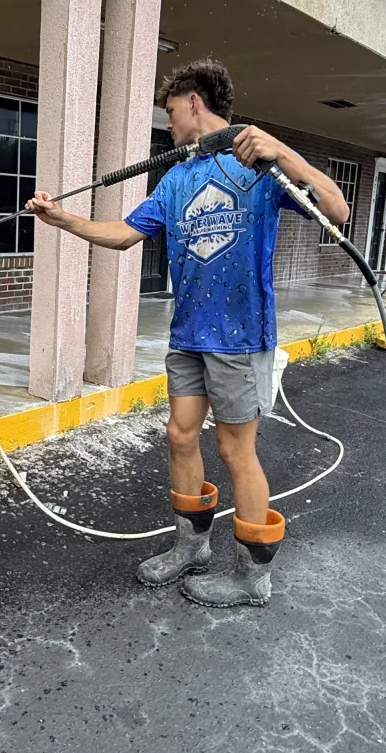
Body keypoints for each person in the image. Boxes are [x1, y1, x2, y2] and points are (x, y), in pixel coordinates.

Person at [26, 58, 350, 607]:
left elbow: (337, 211)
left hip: (242, 337)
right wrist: (64, 221)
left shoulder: (258, 166)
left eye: (171, 113)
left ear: (194, 103)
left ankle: (252, 578)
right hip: (190, 335)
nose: (169, 125)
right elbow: (125, 234)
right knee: (180, 435)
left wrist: (285, 154)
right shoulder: (176, 179)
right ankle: (191, 547)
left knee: (234, 448)